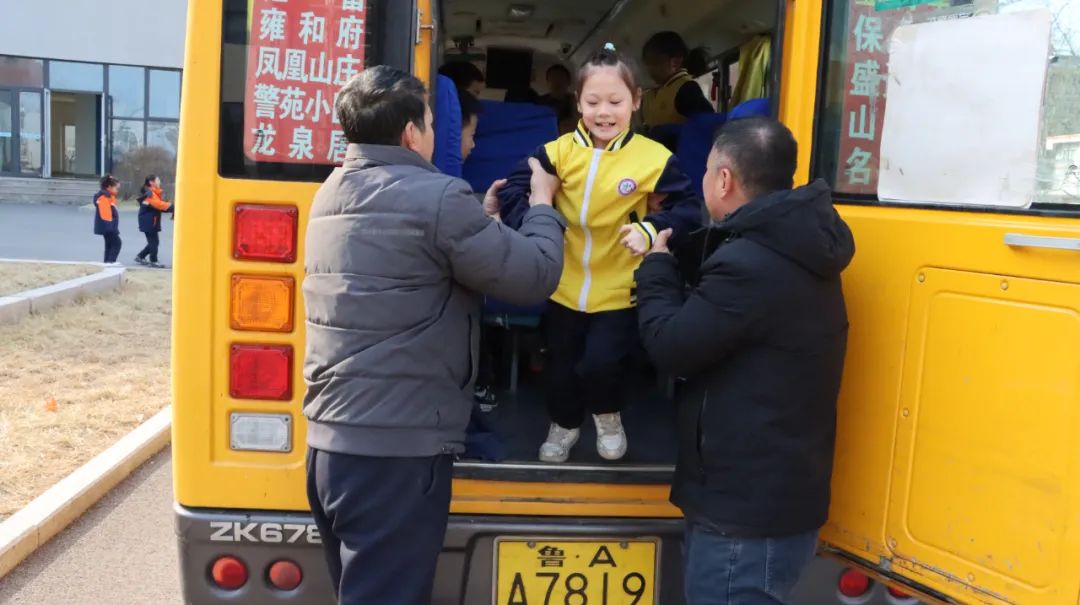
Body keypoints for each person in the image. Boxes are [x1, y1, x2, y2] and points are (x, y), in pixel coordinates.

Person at [302, 65, 566, 605]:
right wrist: (543, 206)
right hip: (396, 456)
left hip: (333, 447)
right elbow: (535, 274)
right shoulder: (438, 197)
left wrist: (483, 220)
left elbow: (415, 261)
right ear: (409, 134)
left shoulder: (331, 191)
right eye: (428, 120)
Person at [634, 117, 855, 605]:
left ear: (724, 179)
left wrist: (656, 267)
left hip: (746, 521)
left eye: (709, 170)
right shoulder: (793, 244)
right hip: (767, 501)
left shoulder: (751, 265)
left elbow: (672, 345)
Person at [499, 43, 702, 463]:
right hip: (563, 282)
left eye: (615, 101)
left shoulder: (655, 158)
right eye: (593, 102)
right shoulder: (556, 153)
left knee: (603, 364)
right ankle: (564, 424)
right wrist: (536, 224)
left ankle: (608, 416)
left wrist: (650, 229)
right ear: (578, 103)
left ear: (636, 102)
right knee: (561, 367)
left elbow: (688, 209)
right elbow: (515, 191)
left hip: (620, 286)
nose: (604, 112)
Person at [641, 31, 714, 149]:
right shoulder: (655, 93)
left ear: (675, 62)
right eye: (647, 64)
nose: (649, 70)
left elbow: (708, 124)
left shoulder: (685, 89)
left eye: (654, 63)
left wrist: (673, 132)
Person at [134, 175, 174, 268]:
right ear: (151, 182)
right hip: (149, 222)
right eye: (158, 180)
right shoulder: (150, 194)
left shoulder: (152, 193)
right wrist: (172, 206)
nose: (159, 181)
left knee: (153, 242)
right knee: (154, 242)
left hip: (149, 221)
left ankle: (140, 256)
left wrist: (170, 208)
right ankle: (153, 260)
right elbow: (159, 205)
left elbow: (158, 207)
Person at [537, 64, 578, 134]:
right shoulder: (539, 103)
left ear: (568, 82)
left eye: (560, 78)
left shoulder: (576, 102)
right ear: (548, 82)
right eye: (553, 78)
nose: (556, 82)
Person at [93, 174, 122, 264]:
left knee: (109, 245)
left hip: (108, 227)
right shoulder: (104, 197)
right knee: (117, 243)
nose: (117, 190)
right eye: (116, 188)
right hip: (108, 227)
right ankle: (110, 263)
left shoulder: (108, 196)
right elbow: (106, 215)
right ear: (109, 187)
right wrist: (112, 229)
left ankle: (107, 263)